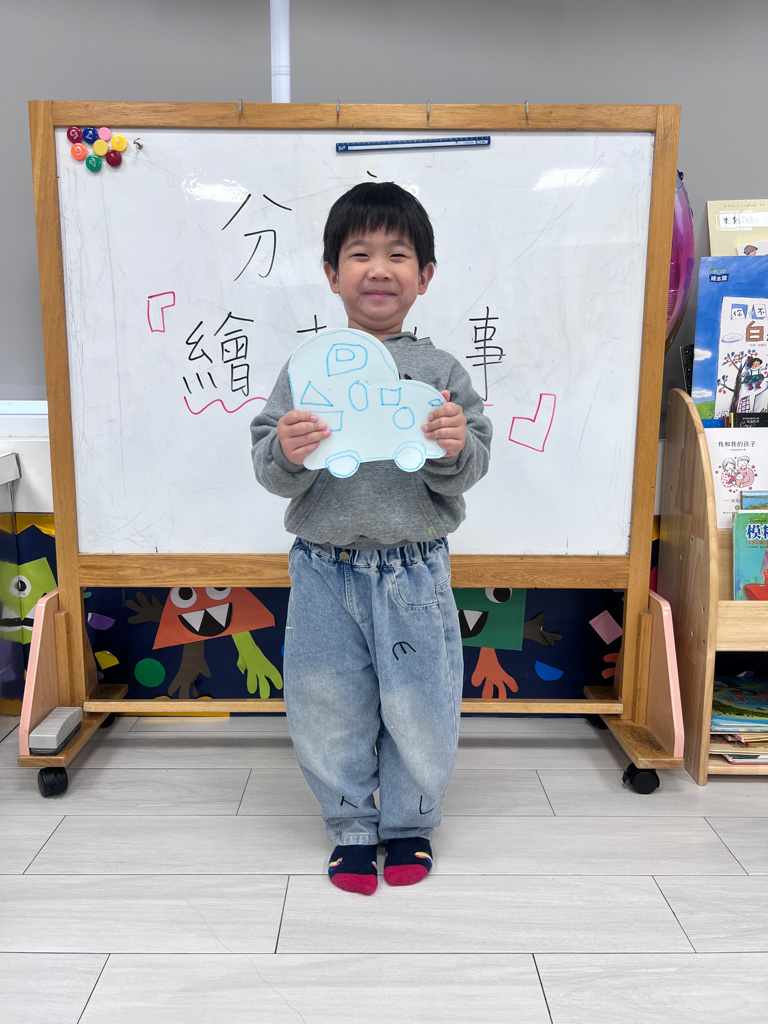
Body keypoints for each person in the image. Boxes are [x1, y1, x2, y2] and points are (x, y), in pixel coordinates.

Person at [250, 182, 492, 895]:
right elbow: (269, 464)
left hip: (415, 569)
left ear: (425, 276)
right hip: (323, 568)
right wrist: (288, 451)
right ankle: (351, 825)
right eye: (359, 254)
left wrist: (452, 446)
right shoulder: (307, 369)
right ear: (332, 275)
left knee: (420, 703)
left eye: (398, 254)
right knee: (326, 703)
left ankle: (410, 824)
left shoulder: (442, 373)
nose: (378, 268)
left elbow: (470, 466)